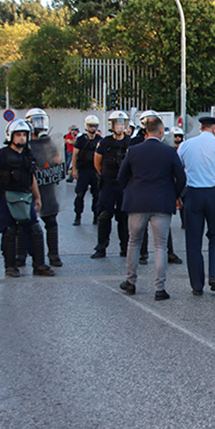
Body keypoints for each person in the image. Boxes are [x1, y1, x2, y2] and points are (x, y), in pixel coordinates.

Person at [118, 115, 186, 300]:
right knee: (160, 246)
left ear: (146, 132)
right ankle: (160, 289)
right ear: (161, 131)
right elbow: (181, 178)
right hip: (161, 203)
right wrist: (174, 195)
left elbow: (121, 176)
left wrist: (132, 190)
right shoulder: (169, 151)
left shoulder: (133, 150)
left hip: (137, 202)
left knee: (134, 242)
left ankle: (130, 281)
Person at [0, 119, 54, 278]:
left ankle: (39, 265)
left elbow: (32, 177)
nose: (22, 138)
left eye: (24, 134)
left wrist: (37, 197)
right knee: (9, 231)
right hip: (6, 197)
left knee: (35, 229)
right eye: (18, 135)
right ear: (10, 136)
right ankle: (10, 267)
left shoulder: (27, 154)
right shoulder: (2, 154)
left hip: (24, 197)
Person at [177, 116, 215, 295]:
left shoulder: (185, 145)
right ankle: (214, 276)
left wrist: (177, 196)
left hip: (192, 194)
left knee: (193, 240)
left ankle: (196, 285)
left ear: (201, 128)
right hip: (214, 195)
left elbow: (177, 173)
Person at [130, 110, 183, 266]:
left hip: (158, 191)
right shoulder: (135, 142)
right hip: (143, 191)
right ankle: (143, 254)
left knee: (163, 231)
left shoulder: (165, 141)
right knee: (141, 231)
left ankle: (169, 252)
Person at [24, 108, 63, 267]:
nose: (39, 124)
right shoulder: (24, 143)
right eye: (36, 121)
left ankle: (54, 254)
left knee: (51, 221)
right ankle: (22, 254)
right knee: (25, 223)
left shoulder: (48, 142)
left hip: (47, 186)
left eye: (41, 120)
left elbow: (58, 160)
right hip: (29, 188)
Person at [91, 111, 131, 259]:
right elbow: (97, 163)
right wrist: (105, 175)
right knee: (104, 216)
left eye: (122, 123)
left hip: (124, 185)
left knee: (124, 217)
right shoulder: (104, 142)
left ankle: (125, 248)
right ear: (112, 125)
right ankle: (101, 248)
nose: (120, 126)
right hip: (108, 183)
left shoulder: (130, 142)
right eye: (117, 123)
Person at [72, 115, 102, 226]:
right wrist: (74, 169)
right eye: (90, 126)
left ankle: (96, 216)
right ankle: (78, 216)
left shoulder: (100, 140)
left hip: (95, 170)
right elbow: (75, 155)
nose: (92, 128)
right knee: (80, 194)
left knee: (97, 195)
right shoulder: (81, 140)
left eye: (94, 126)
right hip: (83, 170)